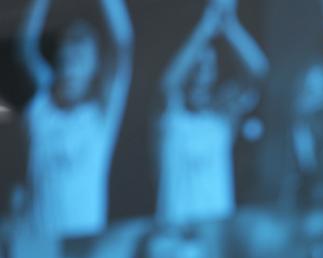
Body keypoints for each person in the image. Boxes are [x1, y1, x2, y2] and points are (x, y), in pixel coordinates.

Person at [18, 0, 132, 238]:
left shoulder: (99, 116)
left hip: (83, 246)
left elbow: (122, 46)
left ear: (95, 67)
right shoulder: (41, 113)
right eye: (66, 56)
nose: (71, 65)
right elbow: (26, 46)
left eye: (80, 56)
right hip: (38, 245)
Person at [156, 0, 268, 226]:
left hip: (217, 234)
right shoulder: (170, 119)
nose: (199, 76)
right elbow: (169, 85)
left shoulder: (222, 120)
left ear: (215, 74)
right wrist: (205, 28)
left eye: (207, 68)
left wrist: (230, 26)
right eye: (195, 67)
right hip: (174, 233)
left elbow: (258, 71)